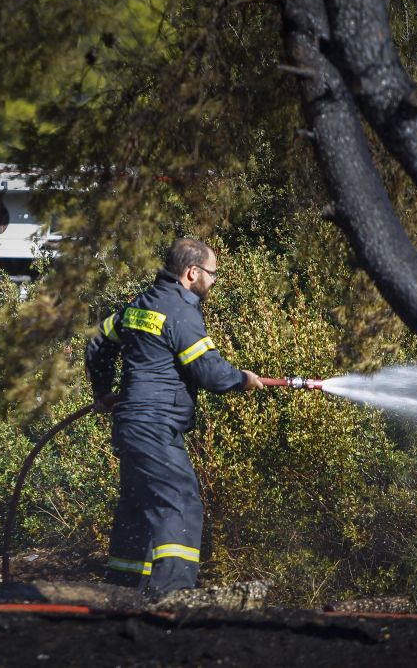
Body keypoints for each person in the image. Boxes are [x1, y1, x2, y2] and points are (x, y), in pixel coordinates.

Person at [85, 238, 262, 597]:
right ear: (192, 272)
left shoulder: (141, 305)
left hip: (132, 426)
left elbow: (98, 342)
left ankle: (121, 591)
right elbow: (209, 372)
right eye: (212, 274)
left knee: (139, 506)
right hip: (155, 427)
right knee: (179, 502)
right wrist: (242, 379)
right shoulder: (180, 311)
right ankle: (173, 597)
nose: (213, 281)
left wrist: (104, 392)